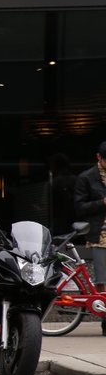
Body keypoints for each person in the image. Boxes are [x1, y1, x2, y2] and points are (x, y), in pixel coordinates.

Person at [72, 140, 106, 335]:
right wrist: (101, 202)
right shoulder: (87, 178)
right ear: (98, 158)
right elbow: (79, 208)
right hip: (99, 234)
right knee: (102, 279)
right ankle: (105, 321)